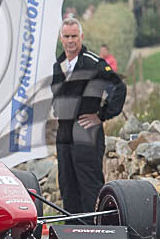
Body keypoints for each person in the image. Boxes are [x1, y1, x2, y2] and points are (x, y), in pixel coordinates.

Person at [51, 17, 126, 214]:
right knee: (67, 183)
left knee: (89, 183)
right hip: (64, 133)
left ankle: (93, 226)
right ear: (61, 38)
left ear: (81, 37)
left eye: (74, 36)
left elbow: (119, 87)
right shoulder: (58, 65)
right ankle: (72, 226)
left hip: (86, 131)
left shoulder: (93, 63)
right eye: (67, 36)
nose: (70, 41)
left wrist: (101, 115)